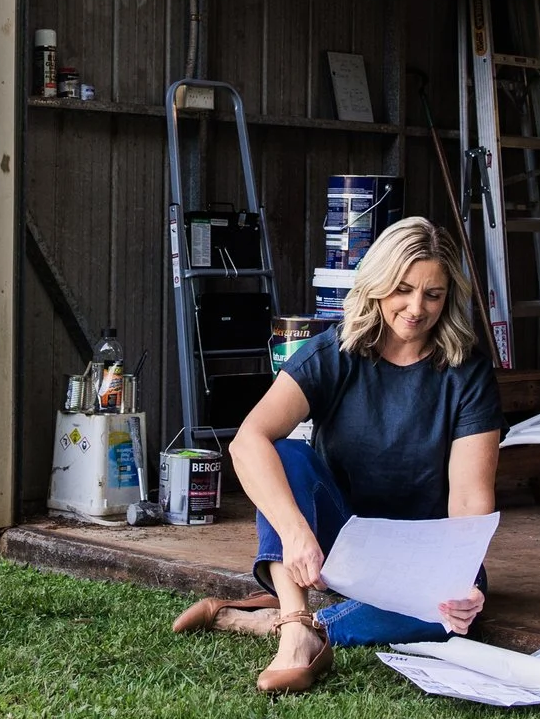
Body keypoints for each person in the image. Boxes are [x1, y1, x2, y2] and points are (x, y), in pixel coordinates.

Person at [173, 217, 502, 693]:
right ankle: (294, 623)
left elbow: (471, 499)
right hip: (337, 539)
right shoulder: (334, 352)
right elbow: (247, 441)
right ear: (378, 285)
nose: (416, 308)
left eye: (433, 294)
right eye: (403, 289)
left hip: (420, 557)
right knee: (282, 453)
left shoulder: (466, 371)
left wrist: (458, 579)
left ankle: (285, 625)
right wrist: (296, 531)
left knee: (448, 618)